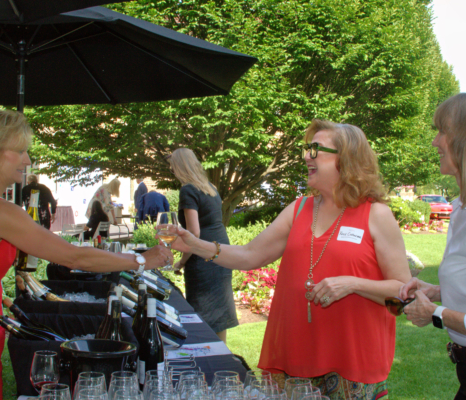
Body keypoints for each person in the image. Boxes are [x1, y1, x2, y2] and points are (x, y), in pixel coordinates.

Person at [167, 121, 411, 399]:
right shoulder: (299, 209)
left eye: (316, 149)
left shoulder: (376, 215)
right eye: (307, 148)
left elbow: (402, 291)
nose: (306, 156)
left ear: (346, 158)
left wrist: (352, 284)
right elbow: (249, 255)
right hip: (294, 358)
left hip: (351, 362)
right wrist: (195, 244)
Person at [0, 110, 173, 400]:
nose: (27, 160)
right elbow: (74, 257)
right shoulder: (0, 212)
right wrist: (140, 260)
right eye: (21, 151)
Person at [400, 91, 466, 399]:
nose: (435, 141)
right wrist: (437, 291)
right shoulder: (463, 207)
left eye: (443, 131)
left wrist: (435, 312)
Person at [168, 148, 238, 343]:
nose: (172, 170)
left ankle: (206, 356)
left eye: (173, 166)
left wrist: (181, 262)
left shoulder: (188, 190)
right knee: (219, 315)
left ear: (179, 166)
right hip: (221, 251)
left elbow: (194, 233)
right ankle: (221, 355)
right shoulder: (210, 188)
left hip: (203, 256)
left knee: (202, 315)